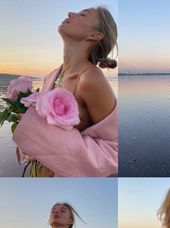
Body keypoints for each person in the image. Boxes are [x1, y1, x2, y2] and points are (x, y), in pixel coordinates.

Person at [13, 6, 118, 177]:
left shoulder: (90, 78)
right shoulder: (52, 75)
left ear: (94, 35)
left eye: (83, 14)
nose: (70, 13)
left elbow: (114, 150)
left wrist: (43, 137)